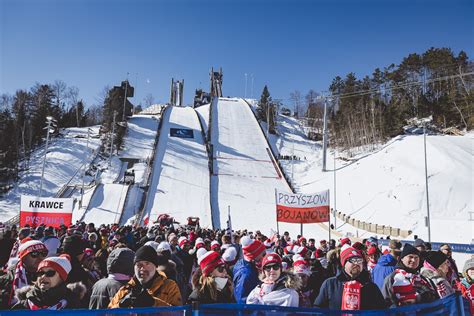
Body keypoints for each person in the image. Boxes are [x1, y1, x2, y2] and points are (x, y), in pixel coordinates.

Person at [314, 244, 385, 310]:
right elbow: (318, 308)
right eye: (353, 260)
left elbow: (381, 309)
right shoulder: (330, 284)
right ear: (344, 263)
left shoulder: (371, 287)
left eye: (359, 260)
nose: (356, 263)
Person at [108, 245, 182, 308]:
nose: (142, 268)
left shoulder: (169, 286)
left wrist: (153, 303)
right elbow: (107, 313)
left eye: (147, 263)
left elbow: (179, 313)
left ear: (155, 266)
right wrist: (121, 306)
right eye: (138, 264)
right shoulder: (125, 290)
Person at [11, 255, 86, 310]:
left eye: (50, 273)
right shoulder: (24, 304)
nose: (43, 277)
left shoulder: (73, 304)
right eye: (40, 273)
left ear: (62, 278)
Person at [0, 240, 48, 308]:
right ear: (24, 258)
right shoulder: (6, 279)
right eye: (34, 254)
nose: (40, 258)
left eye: (44, 253)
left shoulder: (53, 275)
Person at [233, 236, 267, 303]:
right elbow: (242, 301)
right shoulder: (246, 274)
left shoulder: (244, 263)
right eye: (263, 254)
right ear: (255, 255)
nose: (265, 257)